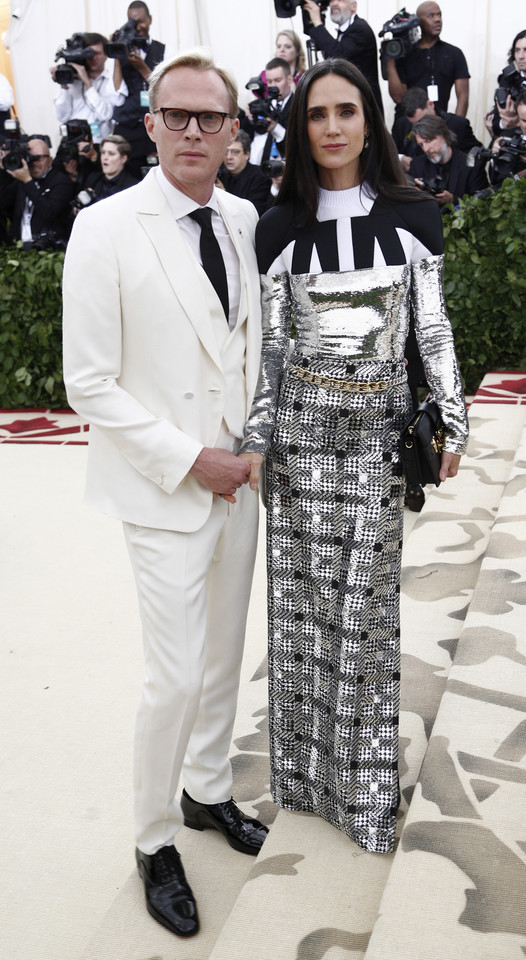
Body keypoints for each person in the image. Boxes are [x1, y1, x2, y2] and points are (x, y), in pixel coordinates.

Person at [238, 58, 468, 854]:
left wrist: (454, 422)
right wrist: (258, 442)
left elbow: (431, 330)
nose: (332, 126)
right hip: (300, 450)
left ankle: (366, 793)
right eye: (316, 114)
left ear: (371, 120)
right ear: (301, 129)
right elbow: (271, 351)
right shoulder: (276, 229)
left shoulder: (412, 215)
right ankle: (304, 782)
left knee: (364, 617)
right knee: (301, 618)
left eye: (346, 110)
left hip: (377, 443)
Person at [62, 52, 267, 939]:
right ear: (149, 124)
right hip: (165, 484)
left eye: (208, 119)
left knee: (224, 655)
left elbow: (251, 345)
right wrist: (194, 460)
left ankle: (207, 790)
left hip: (241, 483)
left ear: (232, 131)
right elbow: (90, 383)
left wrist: (247, 448)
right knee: (175, 673)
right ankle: (153, 841)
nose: (192, 132)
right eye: (175, 116)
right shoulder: (104, 227)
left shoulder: (245, 217)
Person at [386, 1, 470, 139]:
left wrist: (455, 127)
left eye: (439, 15)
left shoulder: (454, 54)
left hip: (438, 124)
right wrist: (390, 62)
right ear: (418, 22)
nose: (437, 19)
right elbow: (399, 97)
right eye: (431, 16)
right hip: (408, 124)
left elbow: (463, 97)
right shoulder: (406, 55)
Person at [111, 2, 165, 177]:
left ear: (150, 20)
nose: (138, 27)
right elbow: (116, 95)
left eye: (141, 21)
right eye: (132, 22)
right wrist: (117, 54)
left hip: (153, 126)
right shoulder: (123, 50)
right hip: (128, 128)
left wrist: (143, 68)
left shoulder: (164, 51)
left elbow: (167, 90)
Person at [302, 0, 383, 115]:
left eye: (341, 0)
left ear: (353, 6)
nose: (334, 4)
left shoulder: (360, 29)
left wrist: (317, 22)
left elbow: (336, 56)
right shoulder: (346, 31)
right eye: (332, 1)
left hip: (365, 108)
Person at [50, 33, 127, 143]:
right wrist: (63, 84)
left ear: (106, 54)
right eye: (88, 54)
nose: (92, 57)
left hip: (99, 144)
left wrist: (87, 83)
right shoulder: (73, 80)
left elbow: (106, 114)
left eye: (97, 53)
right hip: (73, 141)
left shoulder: (111, 80)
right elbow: (62, 116)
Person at [8, 136, 76, 246]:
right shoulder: (21, 179)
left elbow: (49, 213)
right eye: (30, 158)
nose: (34, 163)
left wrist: (28, 182)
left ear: (50, 161)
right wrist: (4, 169)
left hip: (49, 248)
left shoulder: (61, 181)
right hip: (19, 247)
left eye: (38, 158)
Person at [395, 86, 481, 172]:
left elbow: (475, 153)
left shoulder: (457, 124)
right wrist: (401, 158)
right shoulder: (402, 124)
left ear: (431, 105)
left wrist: (464, 171)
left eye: (423, 119)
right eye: (415, 123)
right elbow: (392, 152)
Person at [410, 114, 488, 206]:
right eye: (421, 145)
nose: (425, 149)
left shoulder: (471, 166)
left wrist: (453, 200)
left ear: (443, 135)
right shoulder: (417, 165)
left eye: (428, 141)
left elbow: (482, 204)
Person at [249, 58, 294, 166]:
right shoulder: (261, 105)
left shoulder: (299, 105)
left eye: (278, 80)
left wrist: (275, 128)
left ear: (289, 79)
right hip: (261, 168)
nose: (273, 86)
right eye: (269, 82)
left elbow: (296, 147)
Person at [485, 29, 526, 139]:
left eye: (525, 50)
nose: (521, 56)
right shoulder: (507, 78)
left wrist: (518, 122)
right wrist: (505, 123)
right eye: (517, 50)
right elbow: (494, 121)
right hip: (509, 141)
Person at [219, 130, 271, 215]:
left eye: (235, 152)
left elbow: (253, 212)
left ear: (247, 155)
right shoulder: (221, 176)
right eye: (226, 152)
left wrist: (223, 193)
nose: (229, 157)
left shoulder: (260, 176)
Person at [83, 134, 138, 202]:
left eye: (111, 154)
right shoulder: (93, 180)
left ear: (123, 158)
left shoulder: (133, 186)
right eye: (103, 153)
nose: (105, 157)